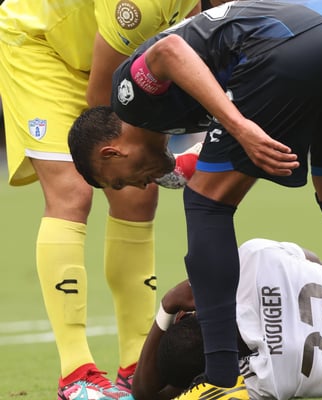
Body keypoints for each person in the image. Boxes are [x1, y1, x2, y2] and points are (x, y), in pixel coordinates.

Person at [67, 0, 322, 397]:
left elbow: (167, 51)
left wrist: (239, 125)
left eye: (119, 182)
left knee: (206, 203)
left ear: (111, 153)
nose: (137, 187)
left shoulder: (128, 95)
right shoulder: (164, 121)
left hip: (296, 51)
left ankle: (223, 380)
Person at [0, 1, 209, 399]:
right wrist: (160, 161)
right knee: (73, 192)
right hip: (42, 49)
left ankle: (135, 364)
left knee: (138, 196)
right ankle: (76, 373)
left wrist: (154, 165)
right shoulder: (143, 4)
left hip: (104, 58)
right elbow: (103, 101)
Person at [132, 238, 322, 400]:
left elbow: (145, 393)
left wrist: (163, 311)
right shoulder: (252, 258)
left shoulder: (258, 382)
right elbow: (313, 259)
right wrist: (173, 301)